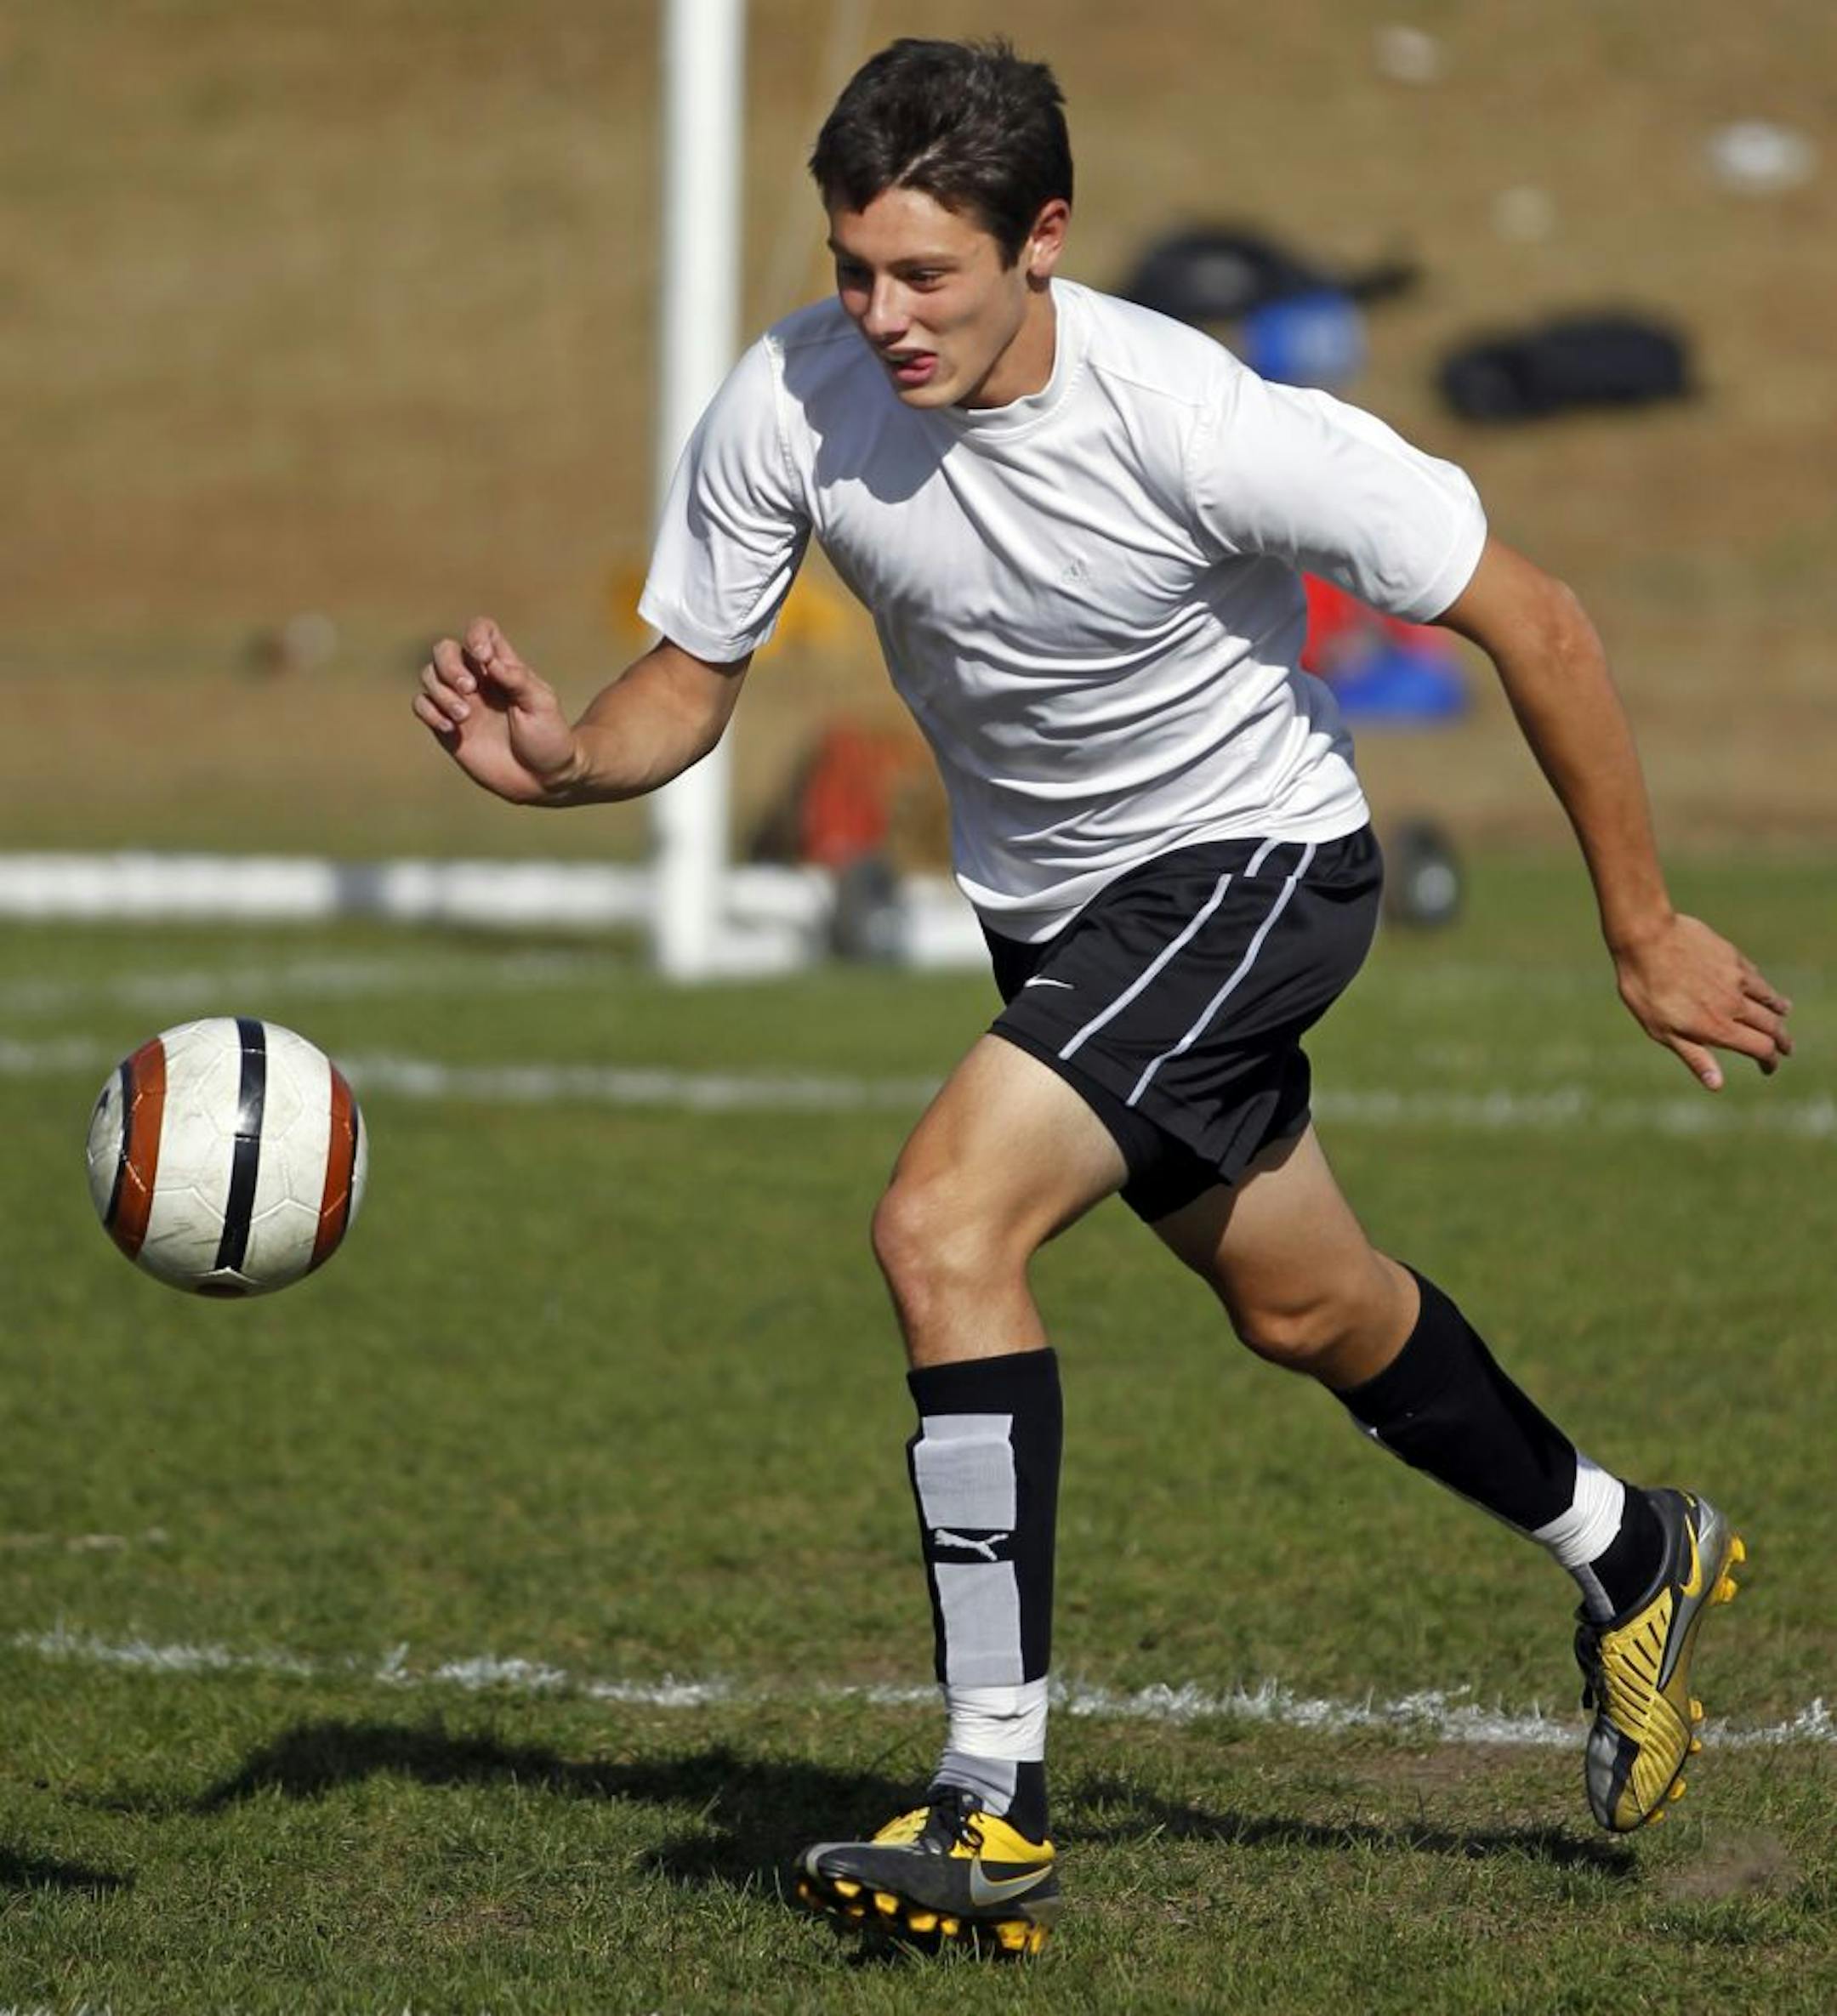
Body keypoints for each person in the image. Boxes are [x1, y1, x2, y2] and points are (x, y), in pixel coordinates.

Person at [414, 37, 1790, 1956]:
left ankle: (989, 1795)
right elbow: (687, 677)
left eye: (926, 275)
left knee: (939, 1220)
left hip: (1256, 871)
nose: (879, 315)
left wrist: (1640, 929)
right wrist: (564, 760)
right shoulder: (791, 402)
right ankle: (1628, 1545)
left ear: (1041, 238)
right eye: (851, 268)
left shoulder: (1201, 419)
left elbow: (1533, 616)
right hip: (1063, 928)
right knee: (1309, 1303)